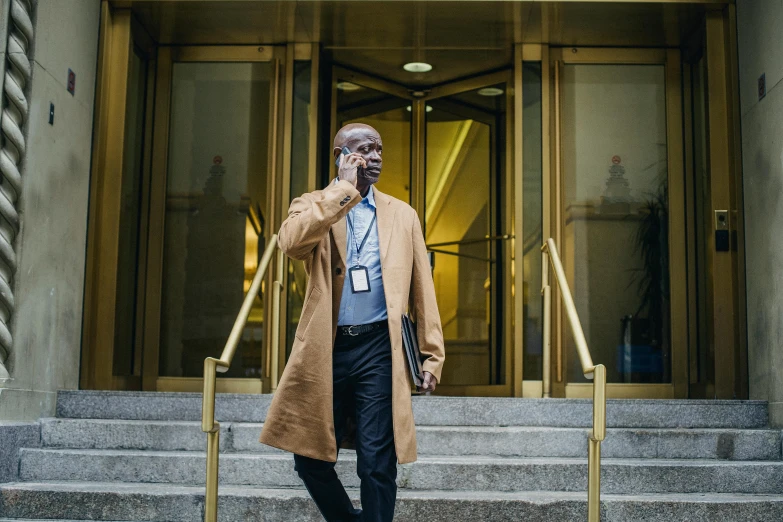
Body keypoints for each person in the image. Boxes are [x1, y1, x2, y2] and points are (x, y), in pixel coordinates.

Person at [259, 123, 445, 521]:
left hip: (380, 348)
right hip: (328, 349)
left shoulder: (402, 214)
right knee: (308, 459)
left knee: (377, 458)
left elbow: (422, 291)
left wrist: (432, 357)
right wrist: (342, 191)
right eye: (364, 150)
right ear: (341, 156)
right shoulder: (313, 204)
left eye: (379, 149)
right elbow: (291, 244)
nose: (375, 157)